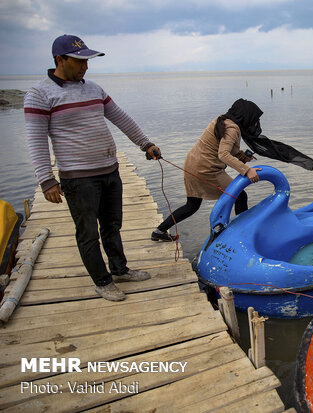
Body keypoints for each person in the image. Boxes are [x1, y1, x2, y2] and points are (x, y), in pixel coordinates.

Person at [24, 34, 162, 302]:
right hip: (78, 179)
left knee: (112, 225)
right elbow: (36, 140)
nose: (85, 67)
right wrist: (46, 180)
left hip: (110, 170)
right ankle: (102, 281)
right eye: (78, 61)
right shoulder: (40, 94)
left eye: (87, 61)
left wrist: (146, 144)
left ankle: (120, 269)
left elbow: (121, 118)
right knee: (87, 232)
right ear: (59, 60)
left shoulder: (94, 89)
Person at [151, 99, 262, 242]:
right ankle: (244, 234)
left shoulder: (222, 120)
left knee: (192, 205)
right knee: (240, 195)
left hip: (193, 164)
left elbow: (224, 148)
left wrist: (242, 156)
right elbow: (223, 154)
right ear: (245, 116)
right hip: (207, 169)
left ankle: (159, 230)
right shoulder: (232, 128)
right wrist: (247, 170)